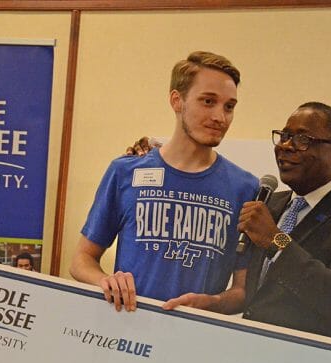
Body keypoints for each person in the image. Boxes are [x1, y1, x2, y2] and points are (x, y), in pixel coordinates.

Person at [165, 102, 331, 343]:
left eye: (302, 139)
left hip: (314, 360)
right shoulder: (270, 205)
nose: (285, 146)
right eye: (284, 136)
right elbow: (259, 294)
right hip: (255, 352)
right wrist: (214, 304)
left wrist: (275, 241)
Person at [70, 51, 258, 313]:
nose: (220, 117)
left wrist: (213, 303)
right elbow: (81, 259)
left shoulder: (245, 187)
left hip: (198, 333)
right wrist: (105, 281)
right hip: (128, 326)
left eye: (229, 106)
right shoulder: (125, 172)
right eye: (208, 101)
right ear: (177, 100)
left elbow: (242, 291)